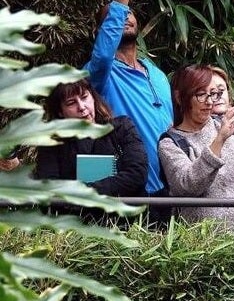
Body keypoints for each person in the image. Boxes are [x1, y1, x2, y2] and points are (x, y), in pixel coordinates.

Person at [84, 0, 173, 222]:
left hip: (165, 188)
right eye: (113, 17)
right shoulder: (100, 72)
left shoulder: (156, 74)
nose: (124, 18)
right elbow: (101, 57)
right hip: (124, 189)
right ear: (103, 31)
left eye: (128, 13)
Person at [158, 64, 234, 227]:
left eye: (213, 94)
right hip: (207, 238)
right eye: (201, 95)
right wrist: (219, 140)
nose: (209, 102)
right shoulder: (170, 143)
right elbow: (187, 186)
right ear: (180, 97)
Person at [33, 79, 148, 222]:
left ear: (93, 97)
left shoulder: (122, 127)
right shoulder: (51, 144)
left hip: (128, 223)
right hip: (74, 231)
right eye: (71, 103)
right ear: (60, 112)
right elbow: (50, 190)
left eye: (84, 97)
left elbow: (137, 175)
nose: (81, 107)